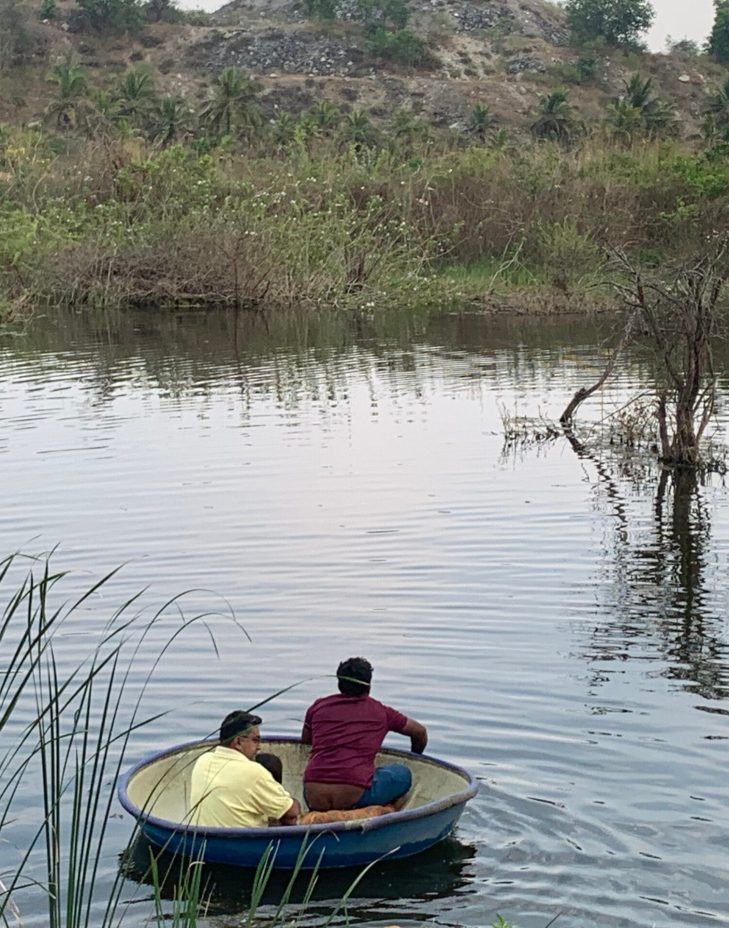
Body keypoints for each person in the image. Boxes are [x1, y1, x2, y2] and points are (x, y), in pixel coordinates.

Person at [301, 657, 428, 812]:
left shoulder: (318, 706)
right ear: (368, 686)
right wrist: (416, 757)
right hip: (354, 797)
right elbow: (420, 732)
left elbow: (306, 741)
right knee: (403, 773)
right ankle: (384, 808)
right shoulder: (381, 712)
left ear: (340, 684)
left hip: (313, 796)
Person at [190, 710, 300, 827]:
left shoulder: (203, 760)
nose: (259, 747)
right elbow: (291, 813)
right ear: (238, 742)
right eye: (255, 740)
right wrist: (294, 802)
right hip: (241, 842)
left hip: (200, 840)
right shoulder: (254, 772)